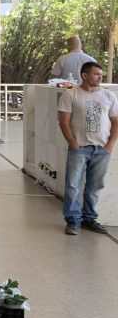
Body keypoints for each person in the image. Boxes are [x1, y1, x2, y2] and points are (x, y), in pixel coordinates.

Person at [58, 61, 118, 235]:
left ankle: (89, 218)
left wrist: (110, 145)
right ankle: (73, 221)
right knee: (72, 186)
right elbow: (63, 122)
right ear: (84, 76)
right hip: (80, 148)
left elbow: (115, 121)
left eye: (100, 74)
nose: (100, 77)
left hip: (102, 149)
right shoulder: (71, 95)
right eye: (96, 74)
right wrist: (73, 143)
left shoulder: (109, 96)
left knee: (95, 186)